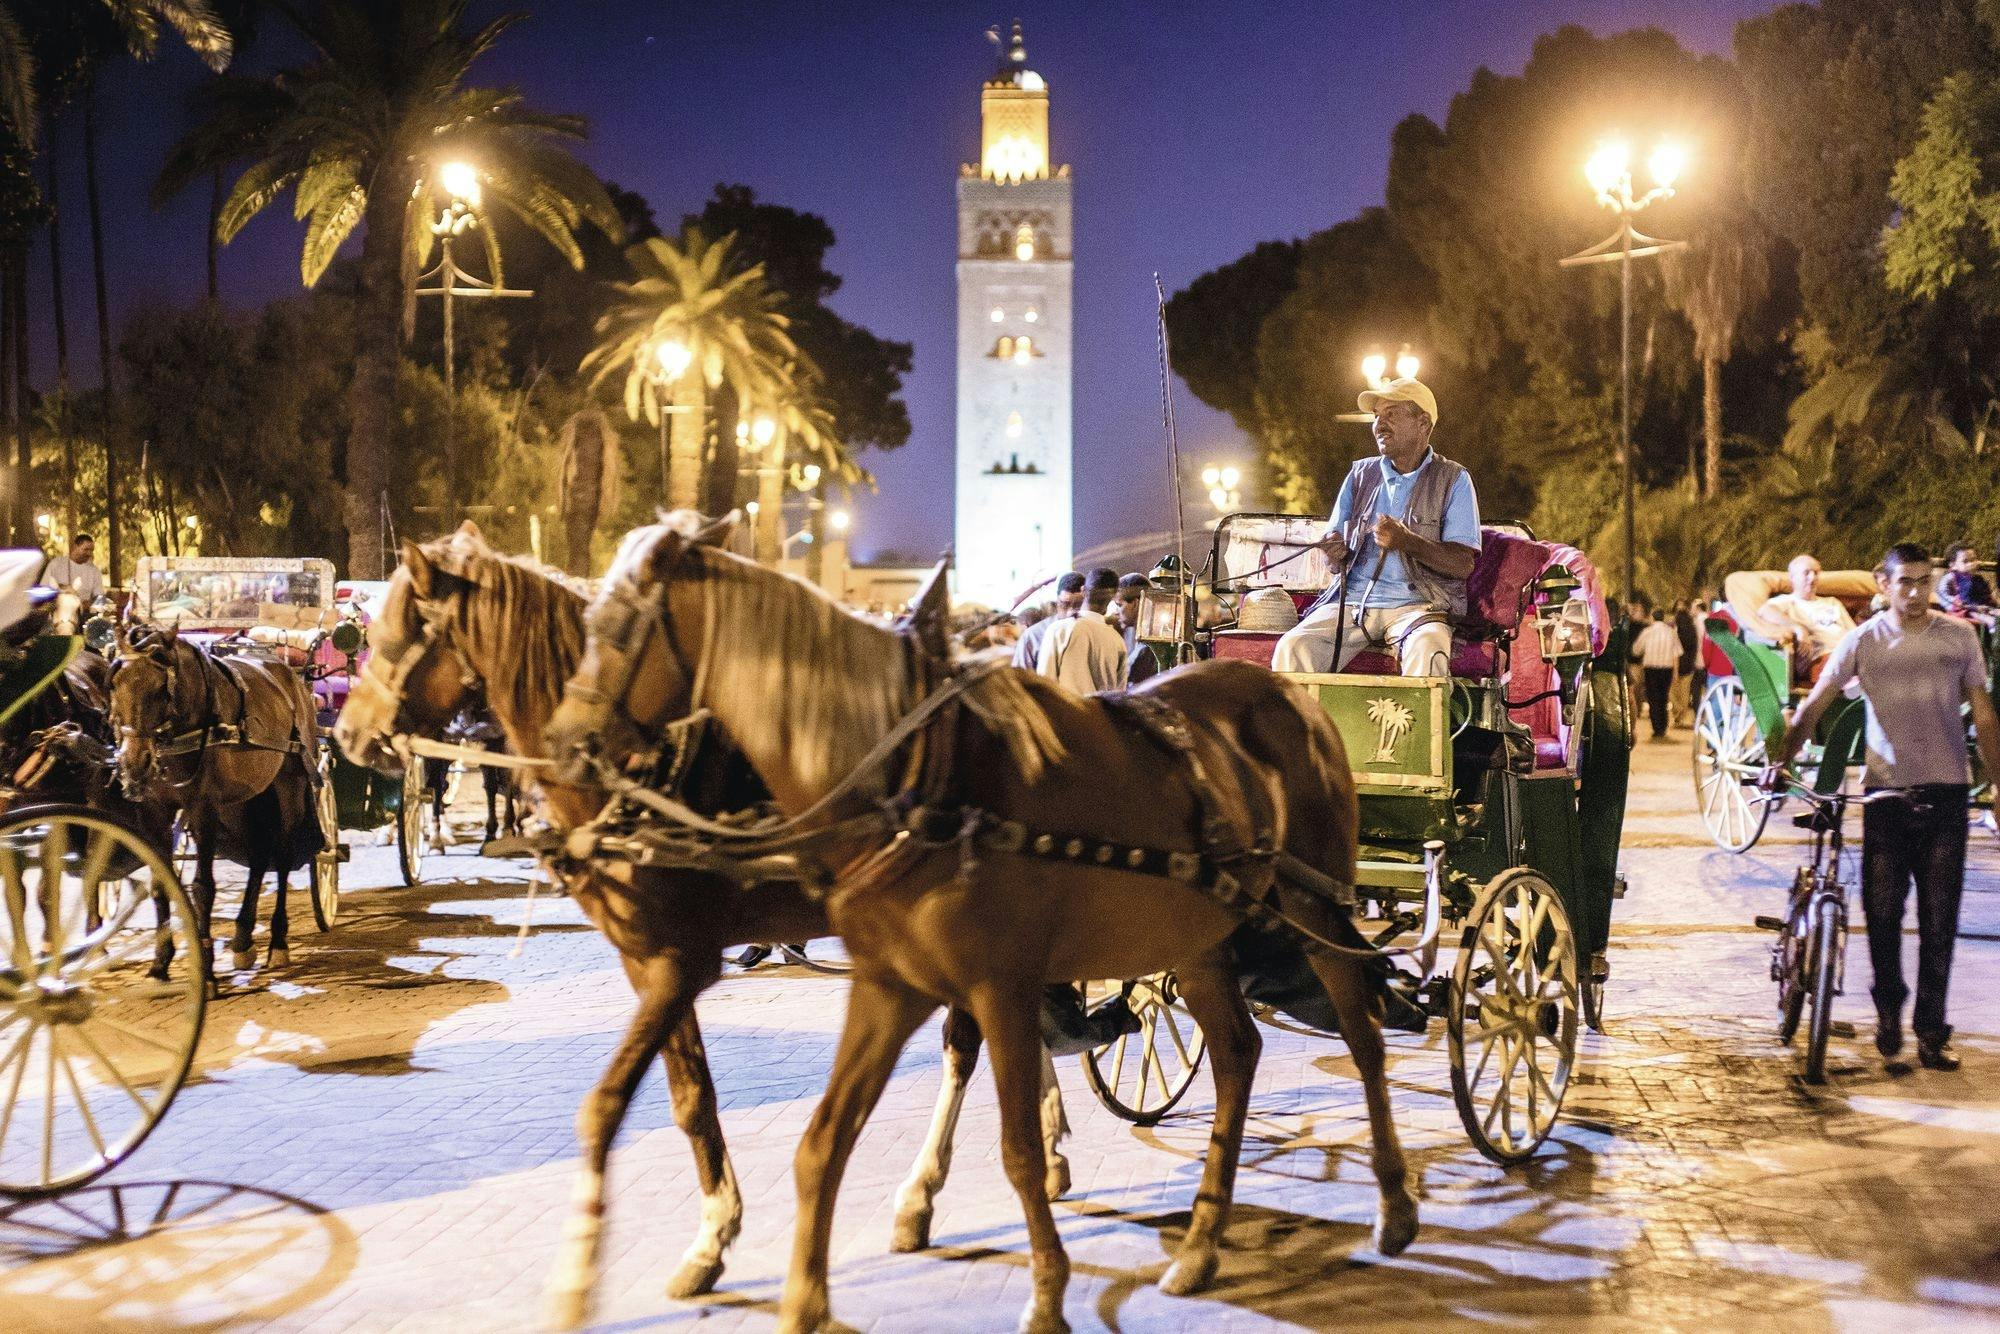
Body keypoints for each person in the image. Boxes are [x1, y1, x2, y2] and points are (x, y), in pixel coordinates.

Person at [1763, 544, 2000, 1072]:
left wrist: (1999, 786)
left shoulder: (1958, 638)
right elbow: (1816, 703)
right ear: (1883, 584)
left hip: (1946, 795)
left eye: (1923, 582)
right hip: (1886, 797)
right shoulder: (1863, 641)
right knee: (1884, 913)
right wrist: (1781, 761)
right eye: (1905, 583)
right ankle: (1889, 1011)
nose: (1915, 593)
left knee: (1941, 922)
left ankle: (1933, 1032)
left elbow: (1983, 715)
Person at [1271, 377, 1480, 676]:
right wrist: (1333, 550)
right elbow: (1333, 554)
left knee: (1429, 648)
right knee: (1293, 647)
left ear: (1423, 424)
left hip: (1420, 607)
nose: (1380, 424)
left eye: (1391, 414)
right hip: (1353, 603)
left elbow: (1462, 564)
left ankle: (1421, 724)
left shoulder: (1454, 479)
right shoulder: (1359, 475)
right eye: (1376, 416)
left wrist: (1408, 541)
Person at [1754, 553, 1855, 685]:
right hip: (1821, 660)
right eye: (1806, 573)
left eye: (1816, 573)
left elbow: (1854, 632)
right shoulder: (1786, 602)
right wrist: (1798, 627)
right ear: (1792, 577)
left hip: (1849, 656)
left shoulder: (1832, 602)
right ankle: (1856, 684)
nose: (1812, 578)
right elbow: (1764, 611)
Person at [1037, 567, 1130, 694]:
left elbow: (1044, 685)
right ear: (1113, 597)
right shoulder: (1118, 641)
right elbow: (1119, 694)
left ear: (1083, 591)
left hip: (1065, 712)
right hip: (1100, 713)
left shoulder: (1059, 630)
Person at [1012, 572, 1083, 670]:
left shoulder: (1095, 633)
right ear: (1057, 601)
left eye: (1078, 606)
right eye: (1065, 604)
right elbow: (1021, 678)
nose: (1070, 612)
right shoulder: (1033, 636)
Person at [1633, 609, 1680, 741]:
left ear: (1653, 618)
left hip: (1651, 669)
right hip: (1667, 669)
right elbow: (1676, 653)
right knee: (1663, 697)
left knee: (1653, 698)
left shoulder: (1647, 632)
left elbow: (1636, 650)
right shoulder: (1671, 632)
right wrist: (1675, 672)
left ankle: (1656, 727)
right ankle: (1663, 727)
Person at [1110, 572, 1160, 685]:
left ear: (1136, 604)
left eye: (1119, 605)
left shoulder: (1151, 644)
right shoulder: (1133, 634)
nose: (1116, 612)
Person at [1939, 543, 1995, 624]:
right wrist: (1962, 606)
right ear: (1953, 565)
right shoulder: (1950, 579)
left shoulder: (1978, 579)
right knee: (1992, 622)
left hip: (1982, 610)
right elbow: (1944, 596)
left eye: (1973, 560)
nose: (1971, 564)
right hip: (1963, 614)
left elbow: (1987, 597)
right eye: (1965, 561)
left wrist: (1991, 605)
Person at [40, 534, 104, 604]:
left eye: (91, 550)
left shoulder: (94, 571)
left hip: (85, 613)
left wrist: (90, 603)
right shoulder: (56, 564)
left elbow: (100, 598)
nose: (89, 553)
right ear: (75, 547)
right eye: (86, 549)